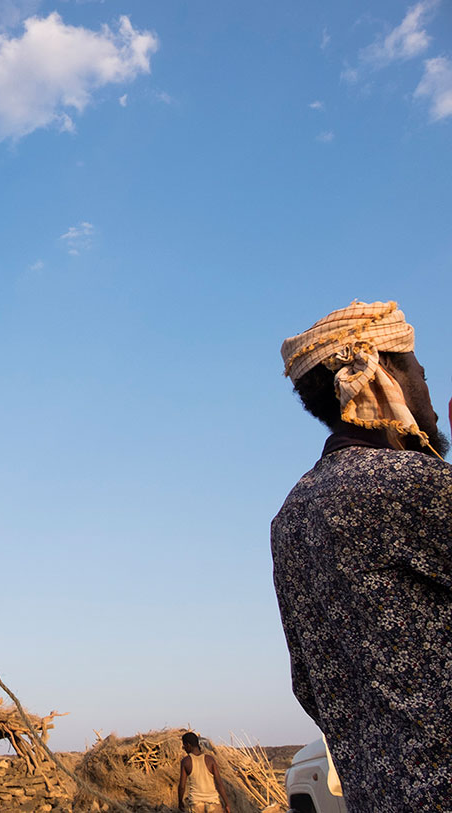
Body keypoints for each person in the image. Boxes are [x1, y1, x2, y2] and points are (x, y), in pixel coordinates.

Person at [273, 300, 452, 810]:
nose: (430, 395)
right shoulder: (408, 485)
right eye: (419, 370)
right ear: (381, 377)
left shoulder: (290, 518)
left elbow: (307, 683)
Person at [176, 732, 231, 813]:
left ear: (188, 745)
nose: (184, 748)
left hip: (196, 804)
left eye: (184, 746)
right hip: (213, 803)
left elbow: (182, 786)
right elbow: (219, 784)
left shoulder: (186, 762)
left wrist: (180, 801)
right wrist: (227, 804)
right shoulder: (210, 760)